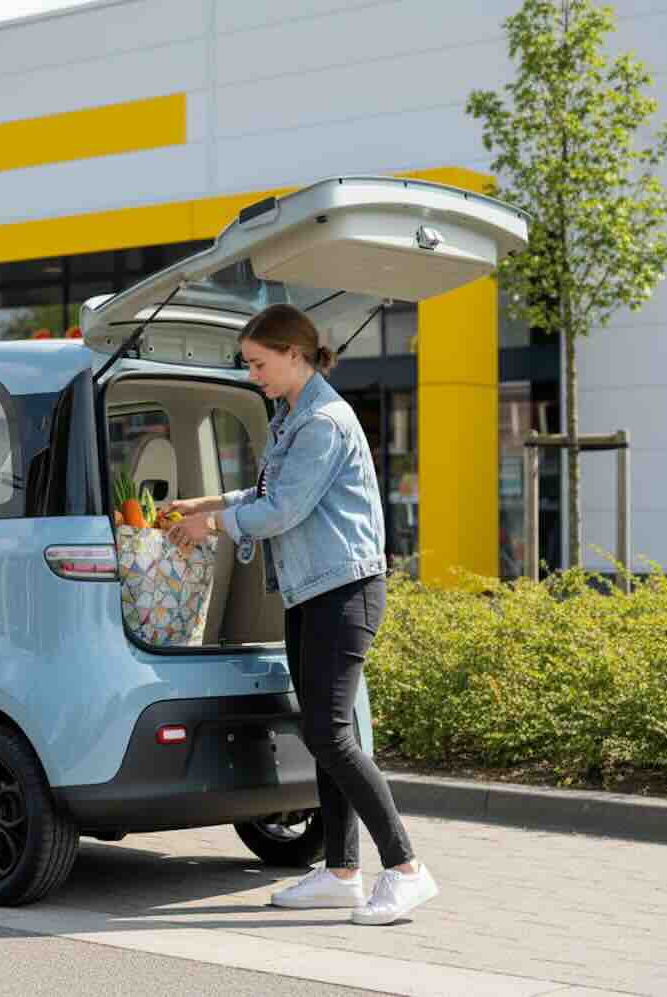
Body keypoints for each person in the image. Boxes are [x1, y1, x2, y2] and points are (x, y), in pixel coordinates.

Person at [162, 302, 437, 926]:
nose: (252, 373)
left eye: (258, 362)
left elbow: (282, 511)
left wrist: (213, 526)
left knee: (330, 734)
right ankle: (341, 873)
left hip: (345, 591)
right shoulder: (293, 416)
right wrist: (205, 501)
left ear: (294, 354)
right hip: (312, 591)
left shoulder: (324, 423)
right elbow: (265, 492)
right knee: (322, 731)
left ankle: (406, 869)